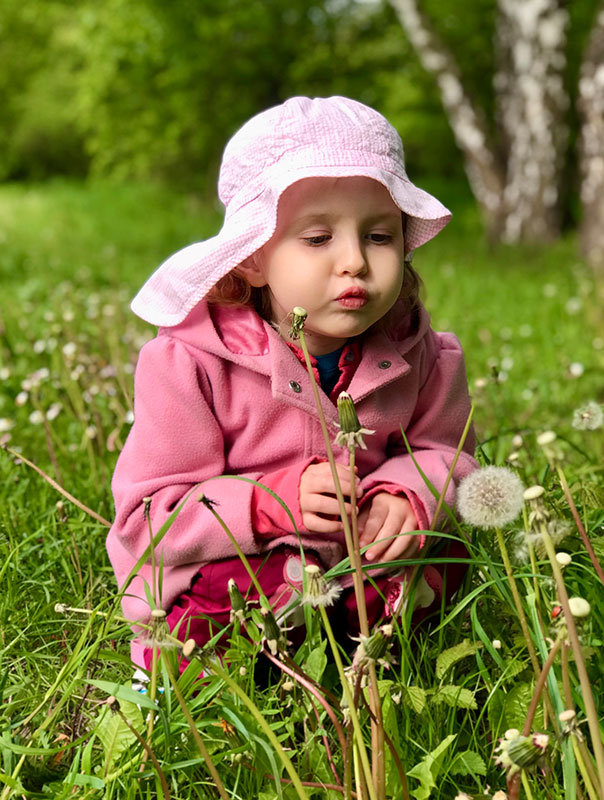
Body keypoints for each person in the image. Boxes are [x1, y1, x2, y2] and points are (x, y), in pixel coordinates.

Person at [106, 96, 477, 670]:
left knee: (446, 555)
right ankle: (205, 672)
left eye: (379, 236)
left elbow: (446, 452)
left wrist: (409, 493)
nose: (353, 260)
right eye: (318, 238)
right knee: (245, 592)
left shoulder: (423, 352)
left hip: (360, 553)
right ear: (253, 259)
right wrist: (267, 504)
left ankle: (365, 642)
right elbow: (148, 516)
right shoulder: (189, 362)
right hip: (238, 564)